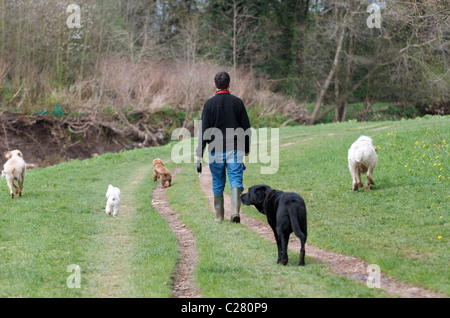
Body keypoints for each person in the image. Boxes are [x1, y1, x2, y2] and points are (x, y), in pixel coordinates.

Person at [195, 71, 251, 223]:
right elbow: (246, 128)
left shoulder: (209, 104)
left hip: (215, 149)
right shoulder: (237, 102)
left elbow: (204, 130)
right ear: (229, 84)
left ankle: (219, 217)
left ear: (215, 85)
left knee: (218, 182)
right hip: (235, 148)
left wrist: (199, 152)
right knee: (236, 180)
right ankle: (234, 212)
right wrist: (246, 148)